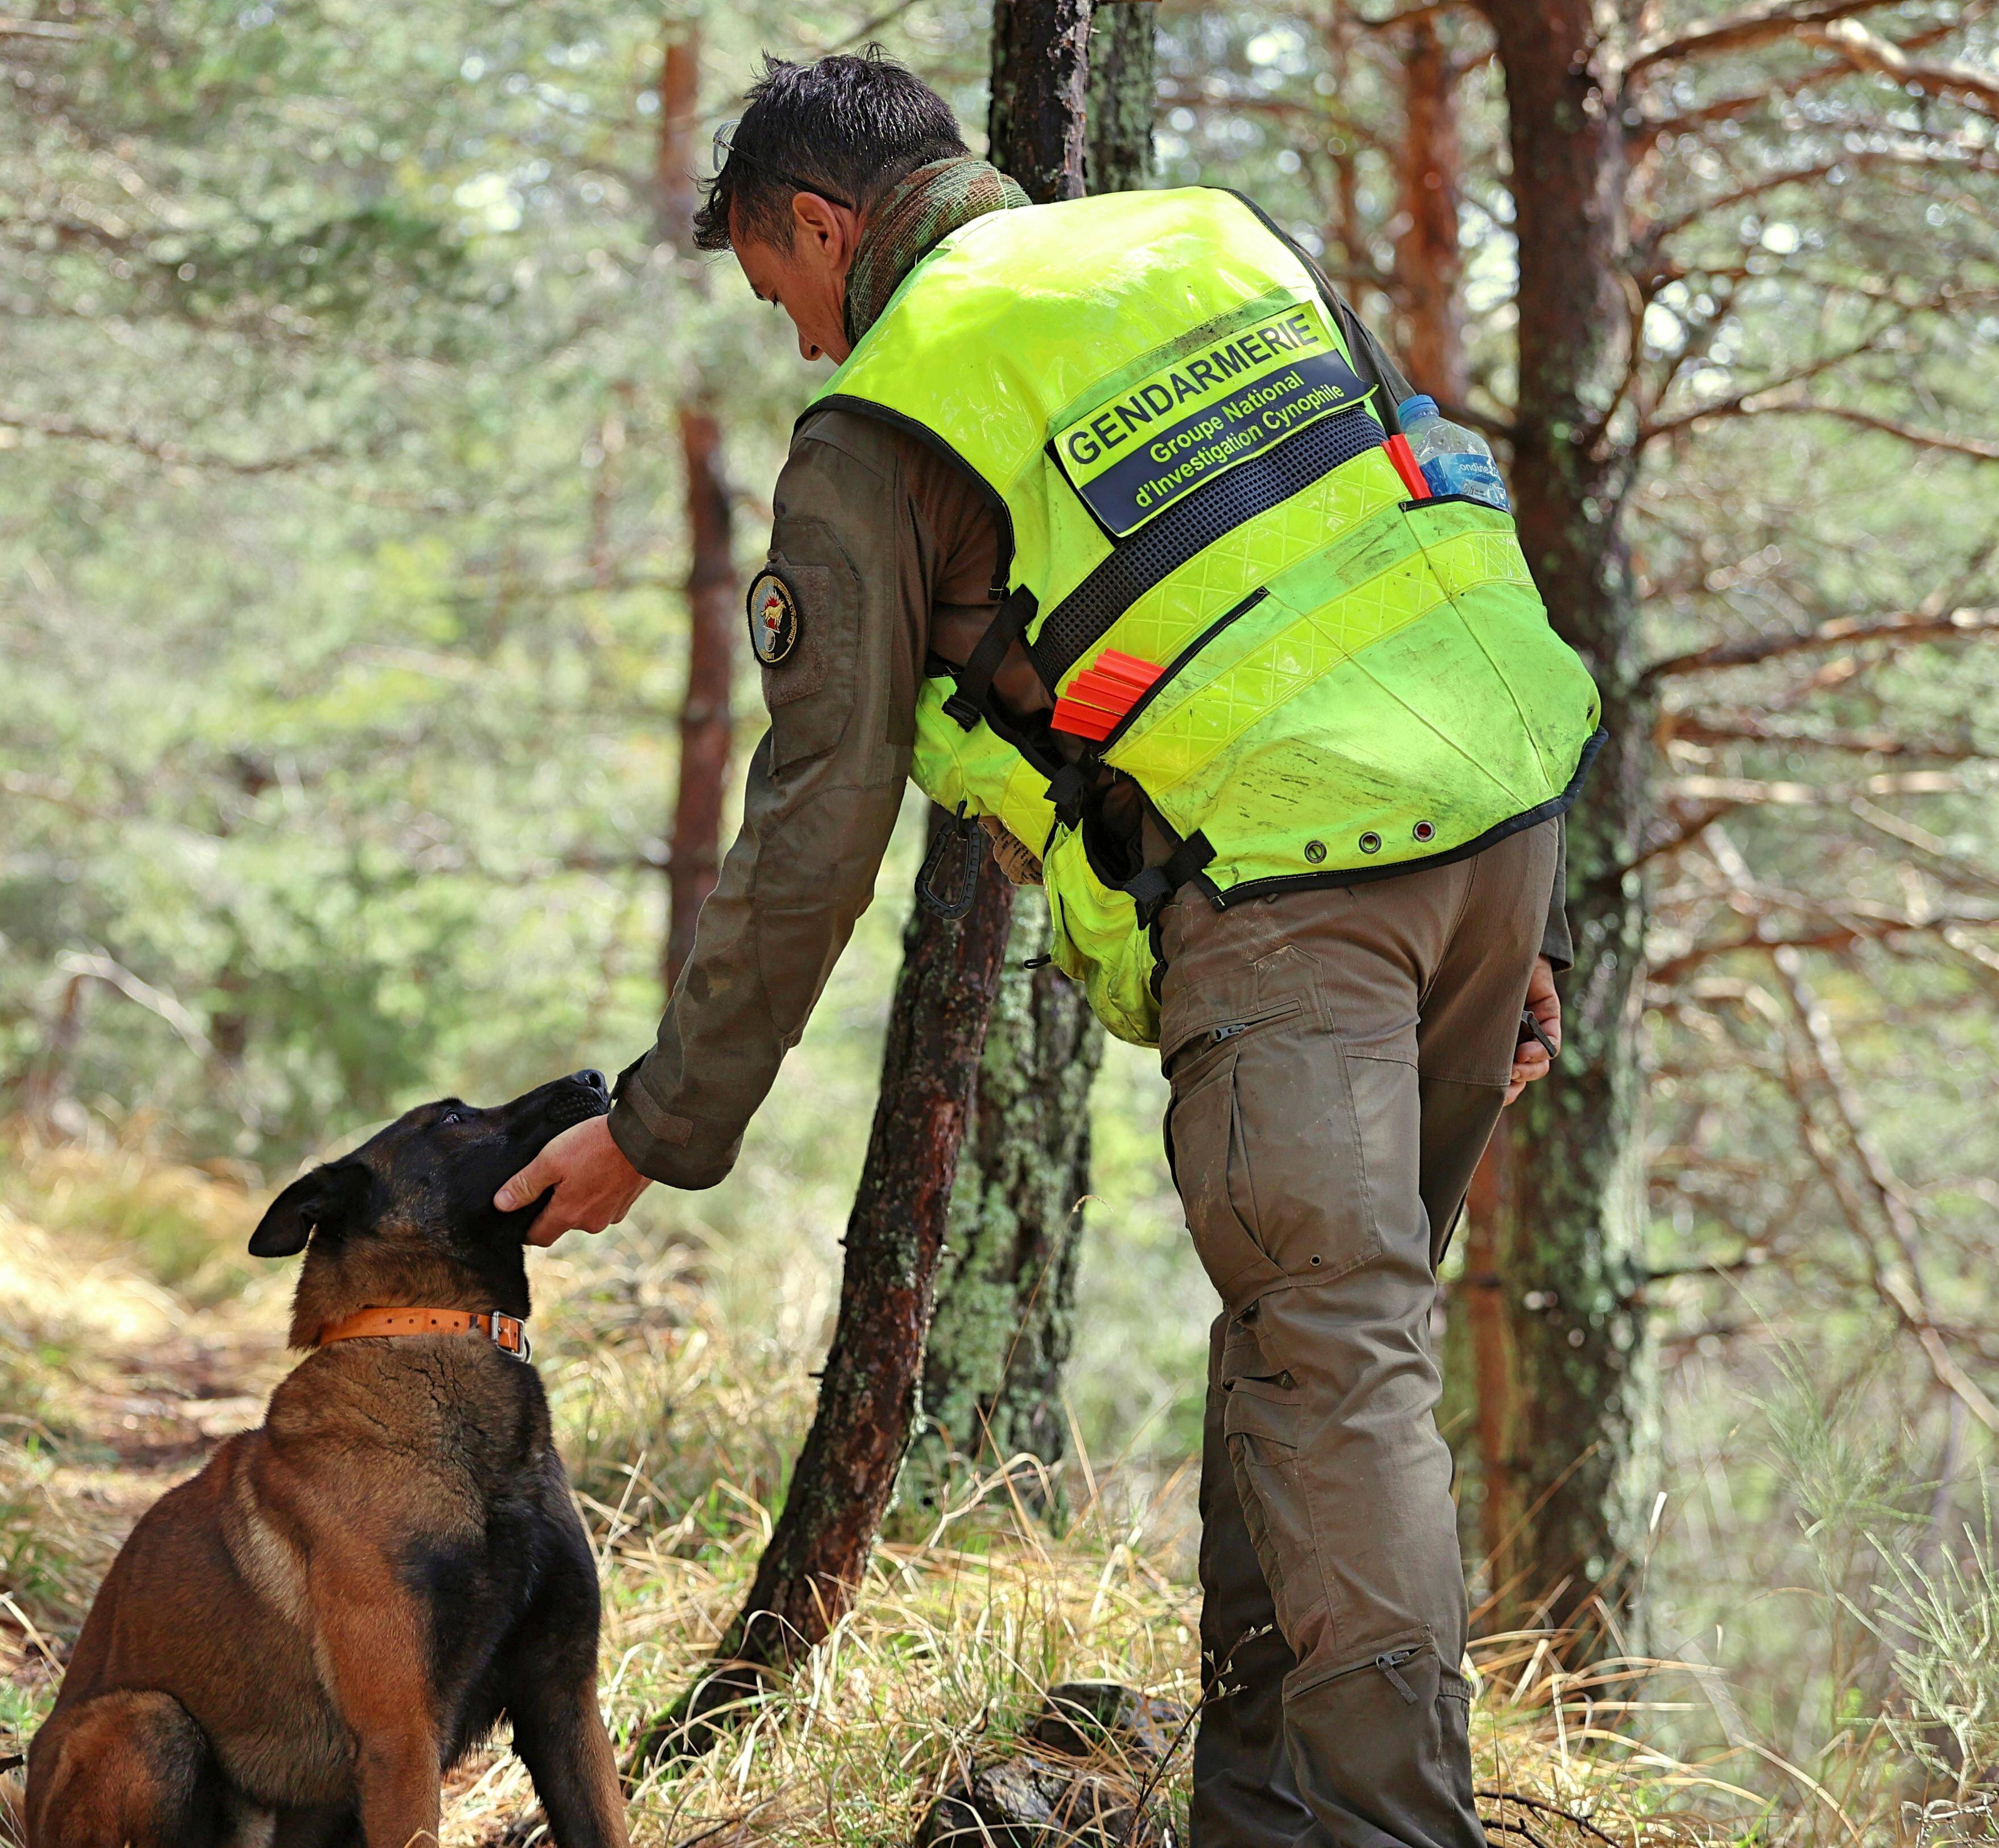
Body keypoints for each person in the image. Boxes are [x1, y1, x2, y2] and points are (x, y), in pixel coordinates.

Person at [495, 48, 1600, 1848]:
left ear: (822, 225)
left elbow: (816, 822)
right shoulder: (1213, 240)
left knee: (1335, 1376)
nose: (802, 346)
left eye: (782, 296)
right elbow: (1422, 516)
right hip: (1496, 832)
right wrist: (1520, 909)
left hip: (1291, 890)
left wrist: (661, 1126)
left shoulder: (885, 423)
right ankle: (1265, 1824)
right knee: (1308, 1358)